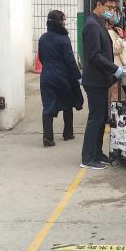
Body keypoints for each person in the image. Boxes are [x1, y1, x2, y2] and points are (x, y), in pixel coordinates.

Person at [80, 0, 126, 170]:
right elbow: (94, 55)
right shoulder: (92, 25)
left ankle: (97, 153)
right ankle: (87, 158)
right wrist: (115, 69)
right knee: (95, 119)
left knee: (101, 119)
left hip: (101, 79)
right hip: (94, 80)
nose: (112, 11)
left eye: (114, 8)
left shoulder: (100, 23)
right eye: (109, 7)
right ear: (99, 5)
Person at [38, 10, 83, 148]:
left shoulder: (43, 38)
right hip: (63, 77)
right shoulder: (64, 38)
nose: (64, 22)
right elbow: (70, 60)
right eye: (63, 20)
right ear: (58, 22)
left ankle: (48, 137)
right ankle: (68, 133)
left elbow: (41, 58)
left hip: (46, 76)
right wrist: (78, 77)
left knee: (48, 106)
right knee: (68, 103)